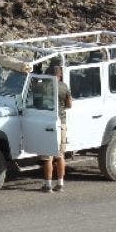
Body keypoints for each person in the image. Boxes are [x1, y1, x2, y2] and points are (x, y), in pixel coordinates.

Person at [41, 64, 72, 192]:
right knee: (60, 155)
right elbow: (69, 104)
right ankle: (60, 184)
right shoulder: (64, 86)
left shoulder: (43, 86)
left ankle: (48, 185)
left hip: (47, 122)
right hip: (61, 122)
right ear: (60, 75)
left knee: (48, 156)